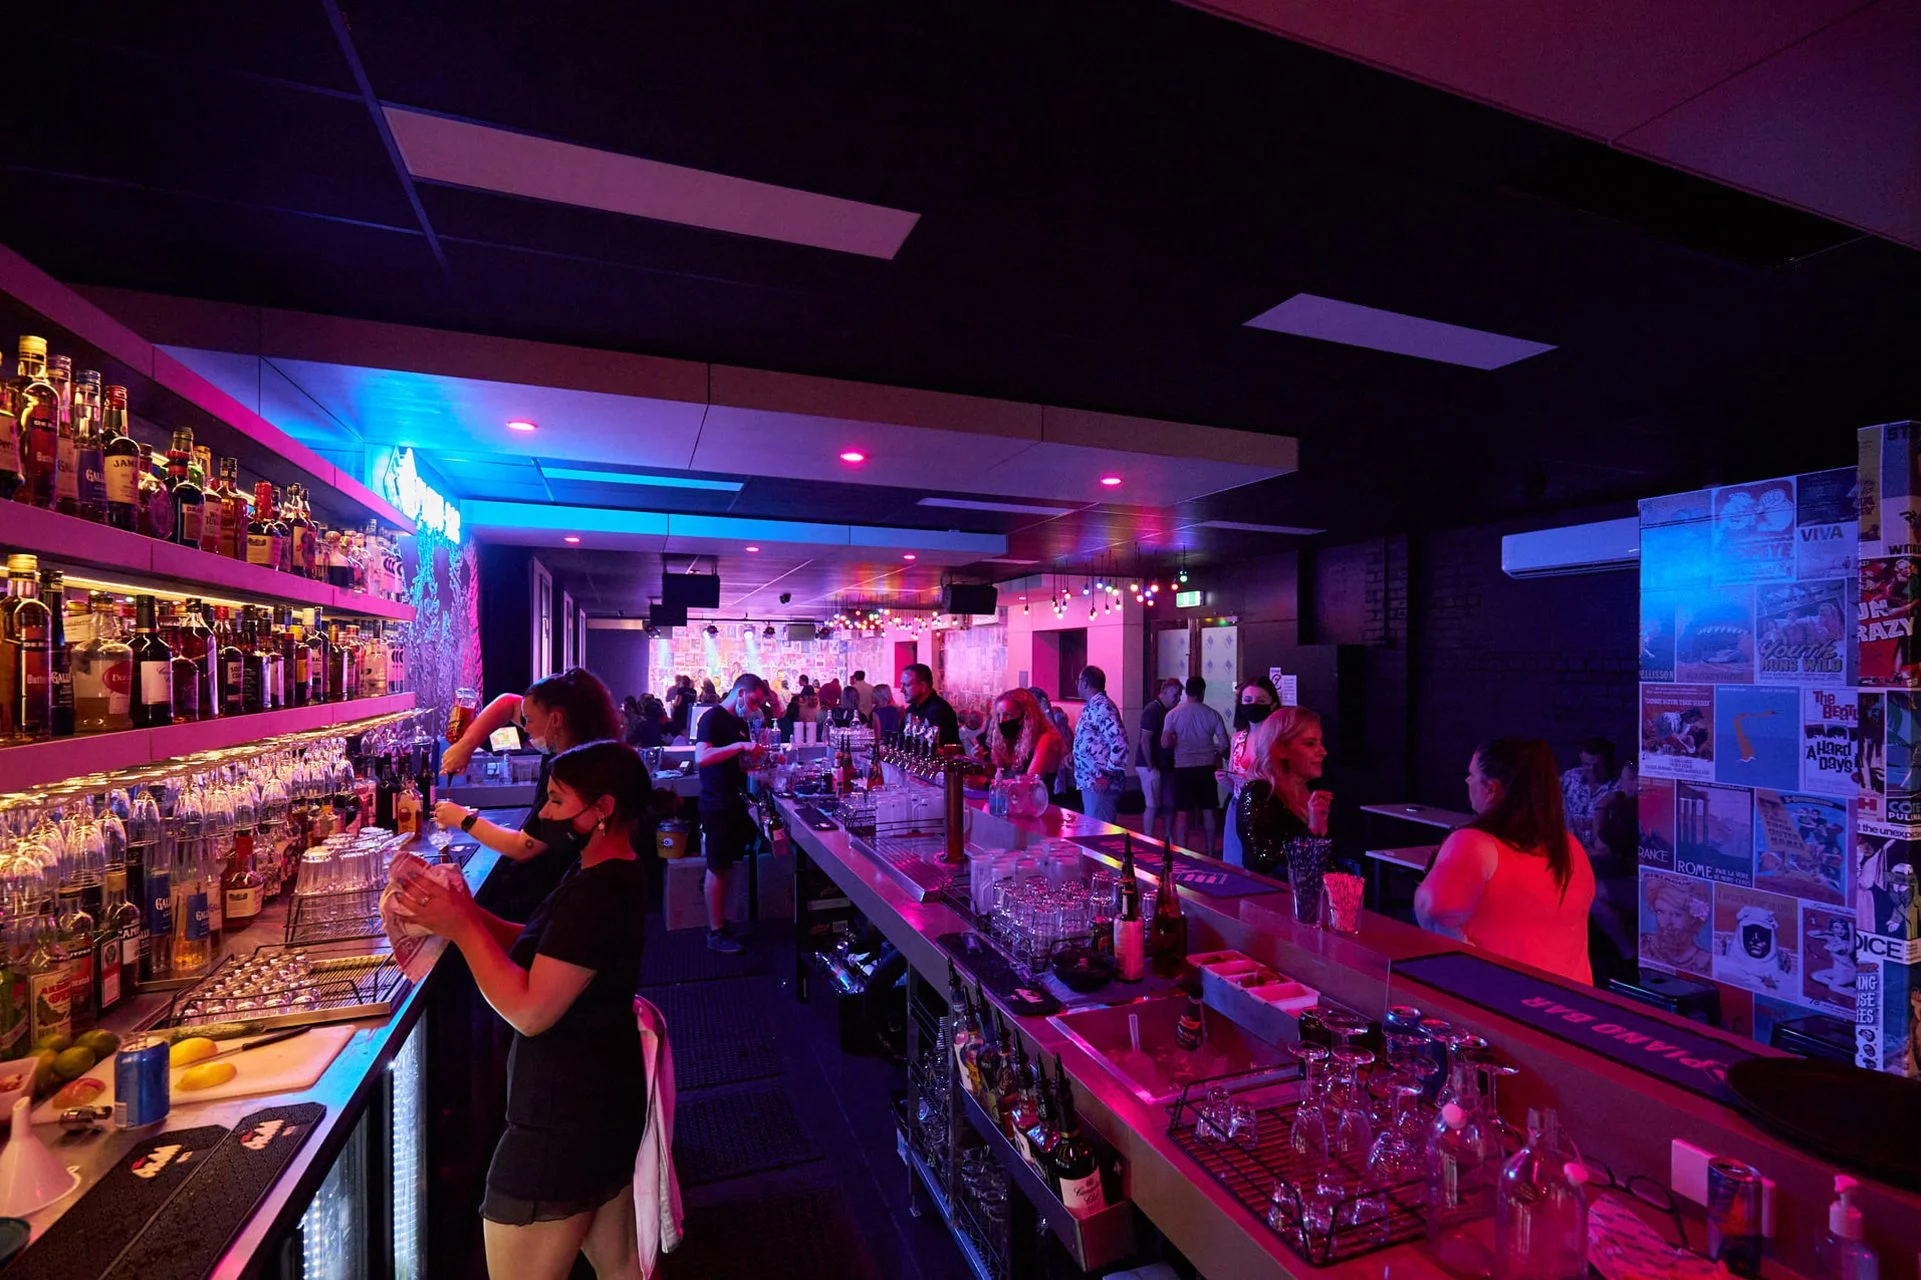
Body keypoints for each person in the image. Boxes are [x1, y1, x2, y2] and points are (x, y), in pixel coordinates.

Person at [398, 741, 648, 1280]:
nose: (543, 816)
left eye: (557, 802)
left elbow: (531, 1010)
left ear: (601, 809)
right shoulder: (603, 871)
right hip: (604, 1098)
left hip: (564, 1114)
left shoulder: (598, 893)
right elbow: (541, 952)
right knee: (621, 1266)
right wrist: (465, 913)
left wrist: (462, 929)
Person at [436, 668, 630, 916]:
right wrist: (466, 746)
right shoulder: (571, 744)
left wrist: (461, 819)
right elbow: (507, 703)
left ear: (555, 720)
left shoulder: (574, 774)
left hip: (551, 895)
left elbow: (524, 847)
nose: (525, 728)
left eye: (529, 720)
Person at [1415, 740, 1597, 984]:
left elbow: (1434, 912)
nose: (1467, 782)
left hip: (1503, 1001)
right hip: (1569, 1004)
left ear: (1491, 789)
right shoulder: (1570, 847)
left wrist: (1476, 969)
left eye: (1472, 775)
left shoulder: (1476, 844)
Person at [695, 673, 771, 954]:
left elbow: (736, 764)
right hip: (715, 801)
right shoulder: (712, 718)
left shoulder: (739, 722)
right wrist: (741, 746)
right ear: (740, 692)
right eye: (753, 700)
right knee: (716, 866)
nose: (754, 707)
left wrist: (756, 761)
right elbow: (701, 757)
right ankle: (714, 932)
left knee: (726, 865)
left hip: (733, 800)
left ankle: (722, 923)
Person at [1234, 707, 1332, 879]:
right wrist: (1313, 831)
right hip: (1271, 901)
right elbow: (1263, 865)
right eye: (1310, 744)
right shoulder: (1259, 793)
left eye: (1320, 743)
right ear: (1280, 749)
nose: (1322, 752)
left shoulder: (1311, 792)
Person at [1161, 677, 1230, 857]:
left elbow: (1165, 742)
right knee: (1209, 811)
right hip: (1206, 767)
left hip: (1183, 768)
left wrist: (1178, 741)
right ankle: (1209, 850)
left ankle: (1182, 852)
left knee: (1183, 812)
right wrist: (1215, 751)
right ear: (1202, 692)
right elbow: (1224, 744)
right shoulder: (1212, 714)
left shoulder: (1173, 714)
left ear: (1186, 692)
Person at [1219, 677, 1279, 866]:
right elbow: (1234, 784)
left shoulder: (1279, 738)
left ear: (1273, 704)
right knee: (1234, 862)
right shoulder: (1238, 738)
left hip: (1266, 811)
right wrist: (1225, 781)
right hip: (1237, 808)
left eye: (1261, 701)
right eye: (1247, 701)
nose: (1253, 705)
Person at [1589, 759, 1640, 982]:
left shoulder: (1631, 807)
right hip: (1646, 878)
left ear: (1636, 780)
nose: (1621, 786)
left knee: (1589, 893)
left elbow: (1602, 844)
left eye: (1623, 780)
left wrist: (1601, 807)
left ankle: (1629, 955)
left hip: (1645, 885)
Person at [1071, 666, 1130, 824]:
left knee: (1099, 832)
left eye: (1078, 681)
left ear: (1084, 683)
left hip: (1100, 783)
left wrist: (1107, 775)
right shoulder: (1093, 706)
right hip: (1090, 781)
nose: (1077, 685)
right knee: (1092, 828)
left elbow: (1120, 743)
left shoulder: (1103, 708)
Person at [1138, 679, 1181, 847]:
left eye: (1179, 695)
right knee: (1152, 804)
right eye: (1175, 694)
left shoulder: (1167, 711)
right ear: (1164, 691)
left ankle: (1167, 837)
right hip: (1151, 764)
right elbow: (1145, 740)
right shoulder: (1153, 710)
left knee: (1168, 804)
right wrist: (1150, 764)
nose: (1177, 699)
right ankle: (1147, 839)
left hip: (1164, 765)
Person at [988, 688, 1066, 780]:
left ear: (1025, 715)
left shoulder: (1046, 738)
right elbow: (998, 772)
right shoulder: (1013, 737)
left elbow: (1029, 782)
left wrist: (994, 783)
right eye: (998, 715)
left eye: (1008, 715)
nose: (1001, 721)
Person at [1560, 737, 1619, 852]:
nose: (1592, 771)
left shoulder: (1618, 786)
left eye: (1598, 766)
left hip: (1599, 857)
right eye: (1586, 765)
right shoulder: (1570, 778)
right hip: (1568, 850)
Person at [899, 662, 961, 750]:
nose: (901, 690)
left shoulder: (941, 711)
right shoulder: (910, 710)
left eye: (907, 685)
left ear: (923, 686)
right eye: (901, 685)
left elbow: (942, 751)